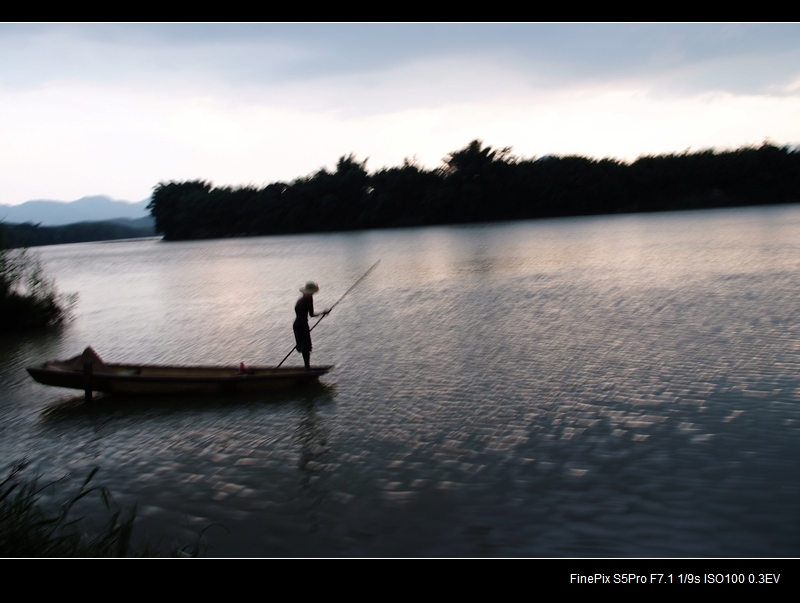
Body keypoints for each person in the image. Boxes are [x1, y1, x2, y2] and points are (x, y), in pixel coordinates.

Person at [293, 281, 329, 370]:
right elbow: (311, 314)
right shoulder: (308, 298)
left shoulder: (302, 298)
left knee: (304, 346)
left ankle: (307, 367)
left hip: (297, 324)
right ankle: (307, 368)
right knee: (306, 347)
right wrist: (323, 313)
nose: (313, 293)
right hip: (302, 324)